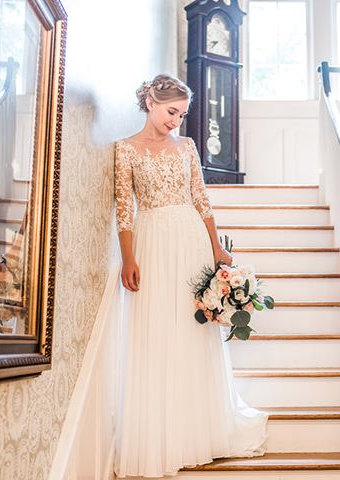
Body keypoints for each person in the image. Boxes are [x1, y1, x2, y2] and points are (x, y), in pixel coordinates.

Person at [113, 73, 269, 478]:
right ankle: (161, 435)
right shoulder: (125, 151)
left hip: (190, 241)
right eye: (171, 112)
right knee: (157, 331)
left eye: (181, 114)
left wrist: (216, 246)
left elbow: (201, 195)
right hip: (151, 241)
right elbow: (124, 209)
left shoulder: (187, 146)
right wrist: (128, 258)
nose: (176, 121)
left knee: (192, 330)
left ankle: (201, 429)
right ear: (150, 102)